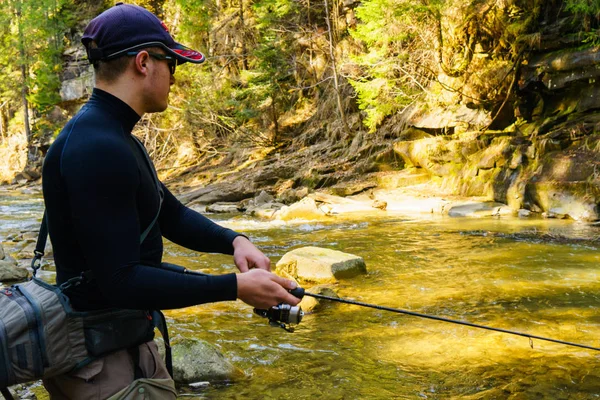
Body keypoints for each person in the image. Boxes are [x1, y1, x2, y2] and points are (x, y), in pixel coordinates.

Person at [41, 3, 300, 399]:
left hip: (118, 344)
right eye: (171, 63)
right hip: (98, 364)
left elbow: (170, 214)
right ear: (144, 62)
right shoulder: (97, 147)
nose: (174, 78)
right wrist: (234, 287)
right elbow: (121, 280)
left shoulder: (114, 137)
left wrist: (235, 241)